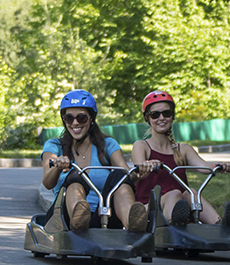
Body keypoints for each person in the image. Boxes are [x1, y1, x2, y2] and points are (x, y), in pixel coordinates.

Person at [41, 89, 151, 232]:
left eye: (81, 118)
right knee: (75, 175)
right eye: (69, 118)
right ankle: (79, 218)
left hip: (104, 215)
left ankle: (133, 224)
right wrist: (57, 167)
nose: (75, 123)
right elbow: (47, 183)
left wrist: (140, 171)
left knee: (119, 176)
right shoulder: (54, 146)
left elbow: (126, 174)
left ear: (91, 118)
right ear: (64, 120)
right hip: (65, 217)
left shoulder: (108, 144)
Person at [131, 90, 230, 226]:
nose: (161, 118)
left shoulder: (183, 149)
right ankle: (173, 227)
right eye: (155, 115)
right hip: (149, 210)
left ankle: (221, 225)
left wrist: (220, 165)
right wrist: (146, 165)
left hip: (180, 206)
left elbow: (204, 166)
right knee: (175, 193)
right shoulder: (141, 146)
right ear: (147, 118)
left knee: (191, 193)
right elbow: (139, 169)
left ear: (172, 116)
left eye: (166, 113)